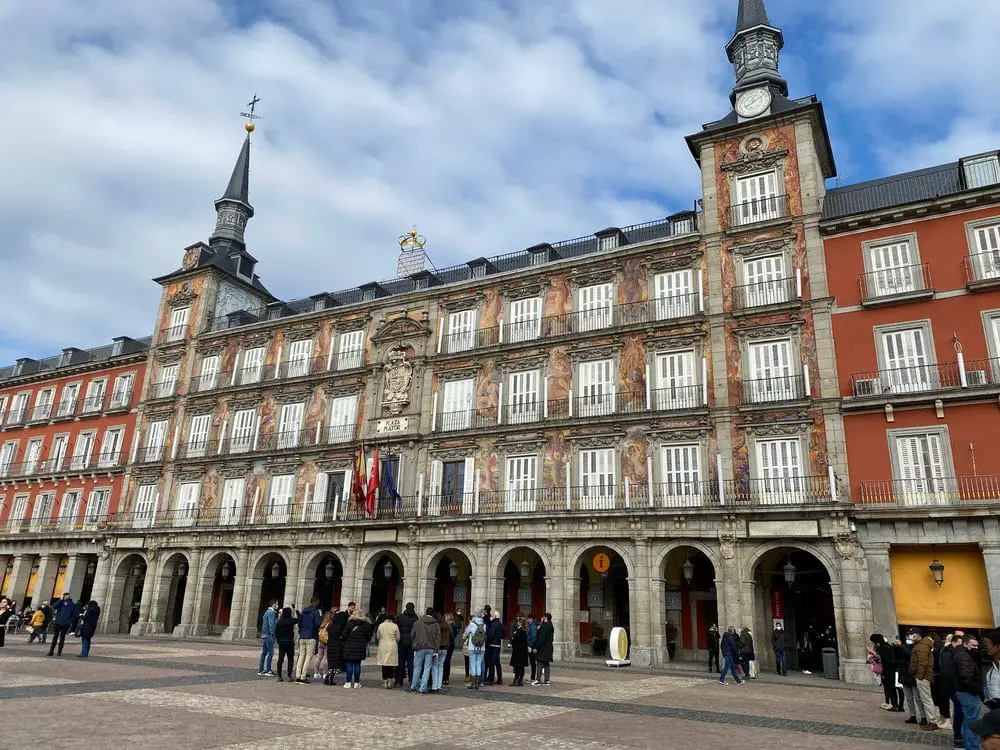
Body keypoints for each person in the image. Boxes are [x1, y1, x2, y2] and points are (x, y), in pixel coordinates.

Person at [954, 634, 983, 750]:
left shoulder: (964, 654)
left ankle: (969, 745)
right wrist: (979, 690)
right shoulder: (964, 656)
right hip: (968, 692)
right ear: (965, 644)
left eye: (977, 645)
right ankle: (972, 747)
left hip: (965, 691)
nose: (976, 648)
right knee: (972, 721)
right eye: (973, 645)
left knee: (968, 720)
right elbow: (966, 678)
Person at [910, 628, 940, 730]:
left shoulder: (921, 645)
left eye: (912, 634)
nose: (911, 636)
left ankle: (932, 721)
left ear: (918, 635)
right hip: (924, 676)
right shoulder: (922, 644)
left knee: (926, 699)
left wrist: (920, 676)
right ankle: (931, 720)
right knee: (926, 699)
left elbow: (922, 662)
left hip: (923, 676)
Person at [410, 607, 441, 694]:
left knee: (417, 668)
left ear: (425, 612)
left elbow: (412, 635)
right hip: (431, 648)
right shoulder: (436, 624)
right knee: (427, 669)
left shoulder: (418, 622)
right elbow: (438, 638)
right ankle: (423, 688)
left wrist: (415, 642)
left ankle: (413, 686)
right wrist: (436, 650)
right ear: (433, 614)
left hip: (419, 647)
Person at [341, 606, 373, 688]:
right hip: (360, 647)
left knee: (349, 664)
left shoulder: (349, 623)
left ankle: (348, 682)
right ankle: (356, 683)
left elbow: (344, 635)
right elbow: (369, 637)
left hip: (349, 646)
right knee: (357, 664)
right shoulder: (366, 625)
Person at [871, 634, 903, 712]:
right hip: (895, 669)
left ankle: (894, 705)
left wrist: (873, 653)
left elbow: (882, 658)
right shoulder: (888, 646)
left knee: (892, 688)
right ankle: (899, 706)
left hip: (889, 670)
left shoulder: (884, 648)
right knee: (898, 688)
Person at [293, 597, 321, 684]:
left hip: (302, 636)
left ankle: (297, 676)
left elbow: (300, 623)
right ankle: (303, 676)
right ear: (316, 603)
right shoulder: (315, 612)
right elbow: (317, 624)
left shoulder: (304, 611)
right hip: (311, 636)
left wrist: (301, 632)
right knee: (308, 658)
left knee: (301, 656)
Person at [328, 601, 355, 680]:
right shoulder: (340, 628)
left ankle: (329, 677)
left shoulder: (331, 627)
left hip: (330, 647)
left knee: (331, 664)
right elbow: (343, 635)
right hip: (337, 647)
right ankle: (331, 678)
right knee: (336, 663)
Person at [396, 602, 419, 688]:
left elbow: (397, 628)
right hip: (411, 642)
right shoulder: (416, 617)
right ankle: (411, 680)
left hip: (401, 641)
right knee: (410, 662)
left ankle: (399, 680)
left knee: (401, 661)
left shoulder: (401, 616)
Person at [375, 612, 400, 689]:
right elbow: (398, 637)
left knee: (384, 664)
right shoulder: (395, 626)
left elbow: (378, 636)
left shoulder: (381, 625)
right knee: (391, 664)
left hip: (383, 645)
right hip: (392, 645)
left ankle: (385, 681)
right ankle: (390, 680)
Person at [464, 609, 487, 689]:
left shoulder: (472, 624)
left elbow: (466, 632)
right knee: (478, 665)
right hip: (482, 647)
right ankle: (478, 683)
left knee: (473, 665)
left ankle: (473, 683)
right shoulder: (484, 624)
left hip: (472, 647)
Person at [47, 592, 76, 657]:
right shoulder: (61, 603)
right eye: (65, 596)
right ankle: (51, 651)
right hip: (58, 622)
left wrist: (69, 621)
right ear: (63, 596)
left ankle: (59, 652)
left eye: (68, 596)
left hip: (65, 623)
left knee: (62, 638)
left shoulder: (72, 605)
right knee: (55, 637)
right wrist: (61, 600)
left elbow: (73, 614)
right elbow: (54, 606)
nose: (67, 597)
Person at [274, 607, 296, 682]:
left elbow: (276, 632)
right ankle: (289, 675)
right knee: (290, 659)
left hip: (282, 642)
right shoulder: (291, 621)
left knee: (280, 659)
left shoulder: (279, 621)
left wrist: (278, 640)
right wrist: (295, 609)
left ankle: (279, 676)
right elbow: (299, 619)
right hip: (289, 642)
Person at [484, 607, 504, 686]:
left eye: (492, 616)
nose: (491, 617)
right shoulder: (500, 624)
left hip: (492, 645)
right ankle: (499, 678)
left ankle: (491, 679)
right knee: (497, 662)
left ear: (495, 616)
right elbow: (502, 635)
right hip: (498, 644)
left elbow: (490, 634)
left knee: (491, 662)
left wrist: (488, 640)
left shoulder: (493, 624)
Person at [532, 612, 554, 686]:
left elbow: (541, 638)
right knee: (546, 664)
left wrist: (536, 647)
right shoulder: (551, 625)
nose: (541, 618)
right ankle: (547, 680)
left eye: (543, 617)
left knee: (540, 663)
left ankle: (538, 679)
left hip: (543, 648)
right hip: (549, 648)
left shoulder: (544, 626)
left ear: (545, 618)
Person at [313, 609, 334, 680]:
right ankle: (325, 673)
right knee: (325, 657)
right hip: (327, 642)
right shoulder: (331, 624)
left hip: (320, 641)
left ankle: (316, 673)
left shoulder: (322, 623)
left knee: (318, 657)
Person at [258, 600, 278, 676]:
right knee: (271, 653)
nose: (277, 605)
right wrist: (273, 634)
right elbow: (271, 625)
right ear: (274, 604)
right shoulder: (271, 613)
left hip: (264, 635)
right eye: (277, 604)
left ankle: (261, 670)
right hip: (269, 635)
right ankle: (268, 670)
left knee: (264, 653)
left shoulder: (267, 612)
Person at [509, 616, 529, 686]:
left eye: (518, 622)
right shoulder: (522, 630)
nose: (517, 623)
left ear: (520, 623)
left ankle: (517, 680)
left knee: (518, 666)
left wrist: (513, 639)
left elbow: (517, 639)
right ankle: (519, 680)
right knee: (520, 666)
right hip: (521, 651)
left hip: (519, 651)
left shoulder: (521, 631)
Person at [443, 612, 458, 686]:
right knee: (448, 660)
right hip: (451, 645)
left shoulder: (445, 625)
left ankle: (443, 677)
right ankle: (446, 678)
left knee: (444, 661)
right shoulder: (454, 626)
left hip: (446, 644)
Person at [526, 614, 539, 682]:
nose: (527, 620)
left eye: (528, 618)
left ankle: (533, 677)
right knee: (532, 662)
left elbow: (534, 637)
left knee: (532, 662)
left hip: (532, 645)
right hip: (531, 645)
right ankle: (532, 677)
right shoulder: (531, 625)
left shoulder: (533, 626)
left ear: (531, 619)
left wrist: (530, 645)